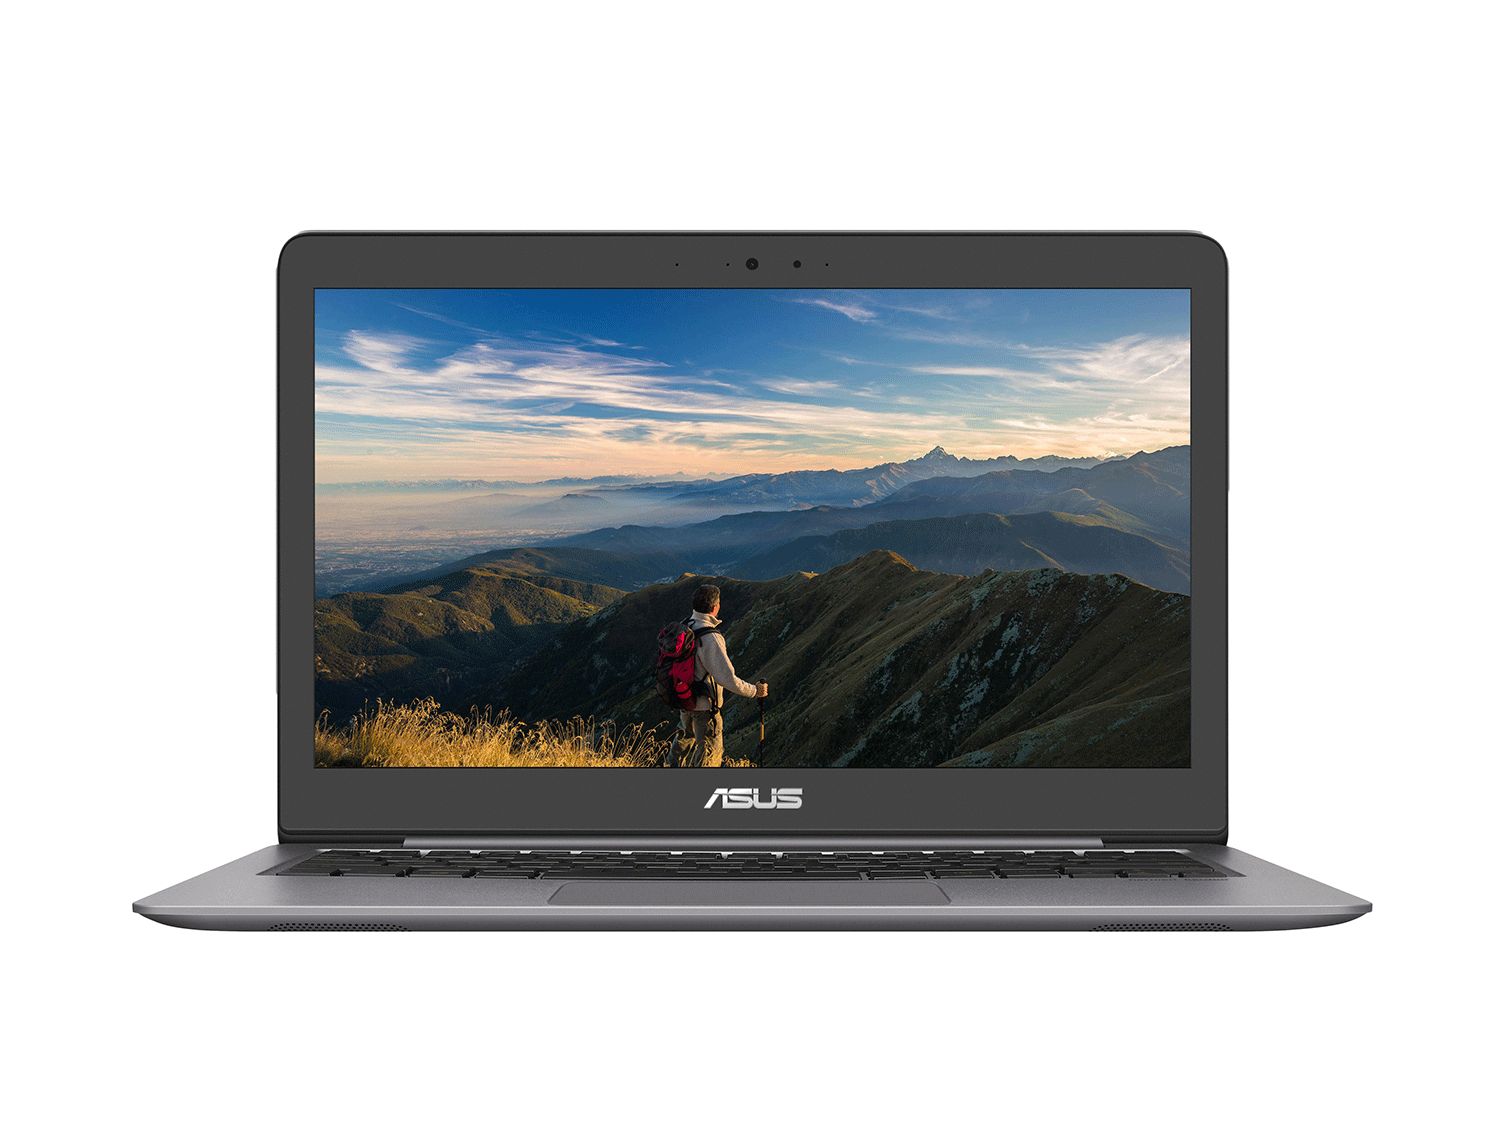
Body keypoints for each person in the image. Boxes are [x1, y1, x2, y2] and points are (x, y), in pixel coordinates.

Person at [673, 583, 768, 767]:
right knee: (709, 756)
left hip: (685, 700)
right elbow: (727, 679)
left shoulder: (685, 625)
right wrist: (754, 691)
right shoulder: (711, 637)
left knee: (680, 746)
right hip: (705, 708)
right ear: (715, 607)